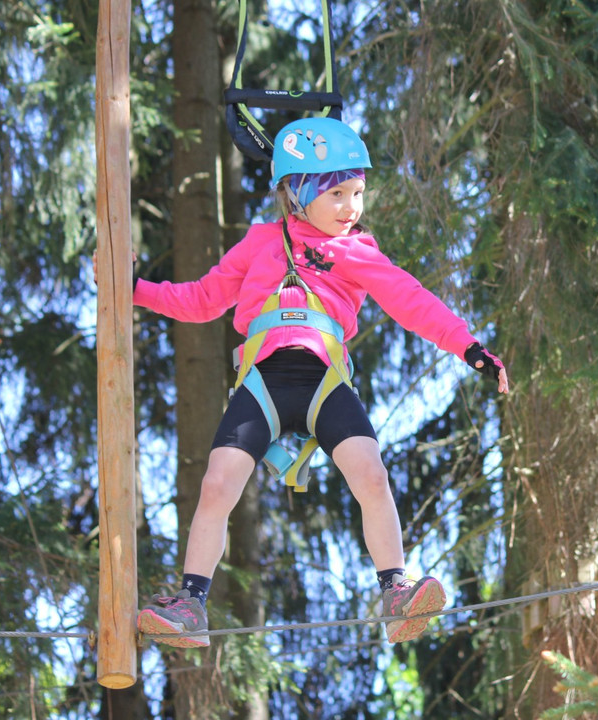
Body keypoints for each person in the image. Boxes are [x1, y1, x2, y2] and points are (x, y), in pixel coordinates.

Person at [130, 117, 509, 648]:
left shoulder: (357, 250)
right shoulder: (261, 242)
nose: (351, 207)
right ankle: (191, 603)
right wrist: (135, 289)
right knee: (217, 484)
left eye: (357, 192)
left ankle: (396, 590)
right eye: (336, 194)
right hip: (263, 380)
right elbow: (201, 298)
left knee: (371, 476)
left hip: (325, 380)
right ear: (297, 195)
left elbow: (411, 300)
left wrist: (468, 347)